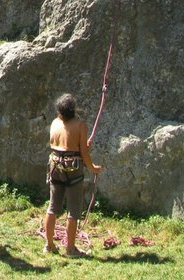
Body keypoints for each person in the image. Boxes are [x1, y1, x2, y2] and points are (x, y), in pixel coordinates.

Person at [42, 93, 102, 257]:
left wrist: (80, 144)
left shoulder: (54, 123)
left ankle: (48, 245)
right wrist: (93, 168)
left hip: (55, 165)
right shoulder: (80, 124)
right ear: (73, 109)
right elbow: (83, 152)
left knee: (53, 207)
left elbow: (62, 143)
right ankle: (70, 249)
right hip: (73, 168)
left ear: (59, 110)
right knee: (73, 210)